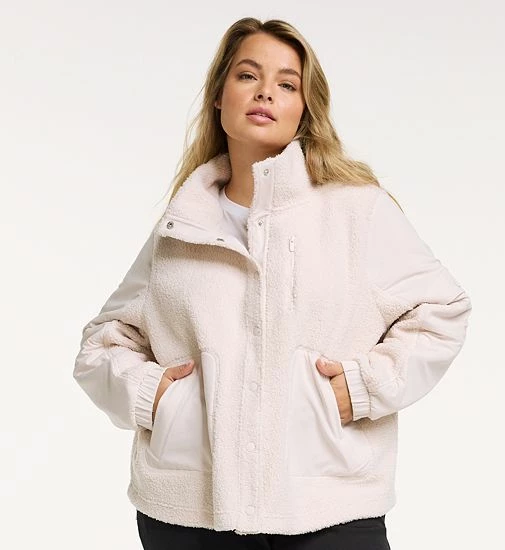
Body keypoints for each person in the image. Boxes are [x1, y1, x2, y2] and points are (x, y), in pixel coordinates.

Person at [73, 16, 472, 550]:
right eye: (248, 75)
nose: (265, 92)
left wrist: (362, 387)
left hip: (329, 508)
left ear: (305, 107)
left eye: (287, 84)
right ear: (219, 95)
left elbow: (442, 310)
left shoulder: (356, 211)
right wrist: (154, 396)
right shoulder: (183, 224)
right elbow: (103, 342)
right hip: (190, 514)